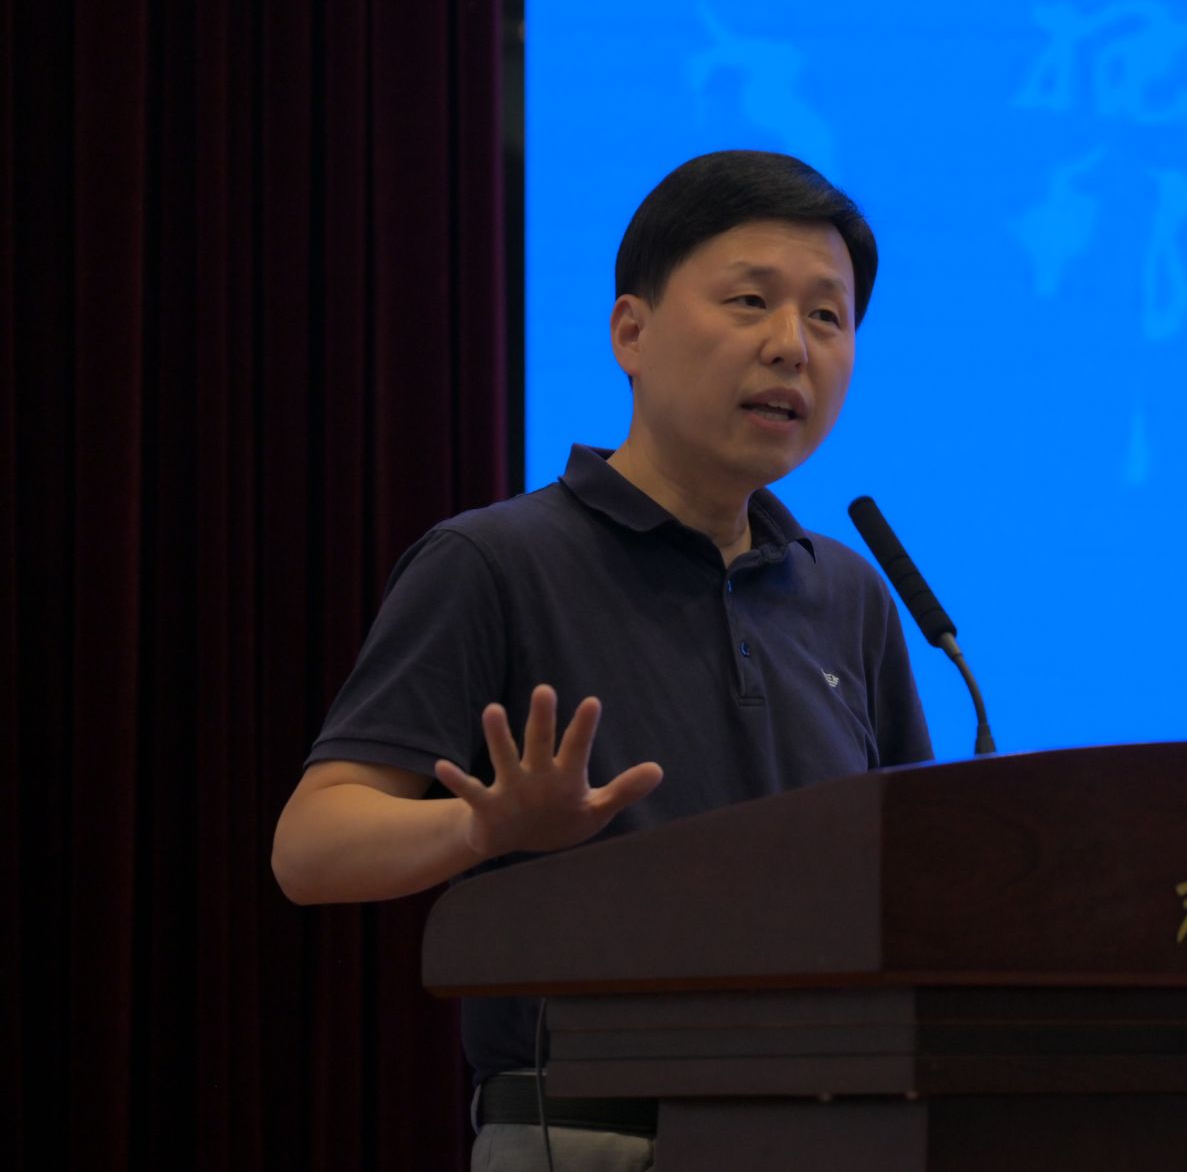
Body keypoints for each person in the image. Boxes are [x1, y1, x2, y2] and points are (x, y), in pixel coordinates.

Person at [271, 149, 935, 1171]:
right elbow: (310, 847)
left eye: (827, 316)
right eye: (750, 301)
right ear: (631, 330)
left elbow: (916, 878)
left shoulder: (848, 594)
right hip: (593, 1131)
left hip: (834, 1129)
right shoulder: (494, 562)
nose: (791, 346)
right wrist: (481, 826)